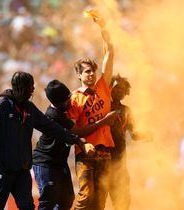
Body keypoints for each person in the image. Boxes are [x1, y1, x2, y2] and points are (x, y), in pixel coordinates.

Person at [0, 71, 92, 210]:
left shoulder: (29, 108)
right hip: (2, 168)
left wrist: (77, 140)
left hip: (22, 169)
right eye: (30, 86)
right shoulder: (1, 106)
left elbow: (52, 128)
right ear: (20, 88)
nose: (33, 89)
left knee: (27, 207)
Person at [32, 79, 117, 210]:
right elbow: (77, 132)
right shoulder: (54, 115)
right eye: (66, 100)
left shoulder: (65, 109)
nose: (70, 101)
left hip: (60, 162)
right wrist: (104, 121)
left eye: (69, 97)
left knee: (67, 200)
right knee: (48, 201)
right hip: (45, 162)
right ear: (57, 103)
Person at [67, 11, 114, 210]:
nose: (91, 74)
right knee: (86, 197)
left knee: (100, 201)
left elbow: (109, 53)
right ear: (78, 75)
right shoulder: (74, 98)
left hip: (105, 151)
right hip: (85, 152)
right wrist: (103, 122)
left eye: (93, 71)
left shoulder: (103, 86)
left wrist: (104, 29)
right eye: (86, 71)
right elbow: (73, 131)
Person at [108, 74, 140, 210]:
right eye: (116, 87)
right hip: (101, 160)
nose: (119, 91)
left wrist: (148, 134)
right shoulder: (102, 108)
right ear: (109, 88)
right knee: (96, 202)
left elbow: (134, 134)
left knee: (123, 201)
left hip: (120, 163)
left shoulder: (127, 111)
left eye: (122, 89)